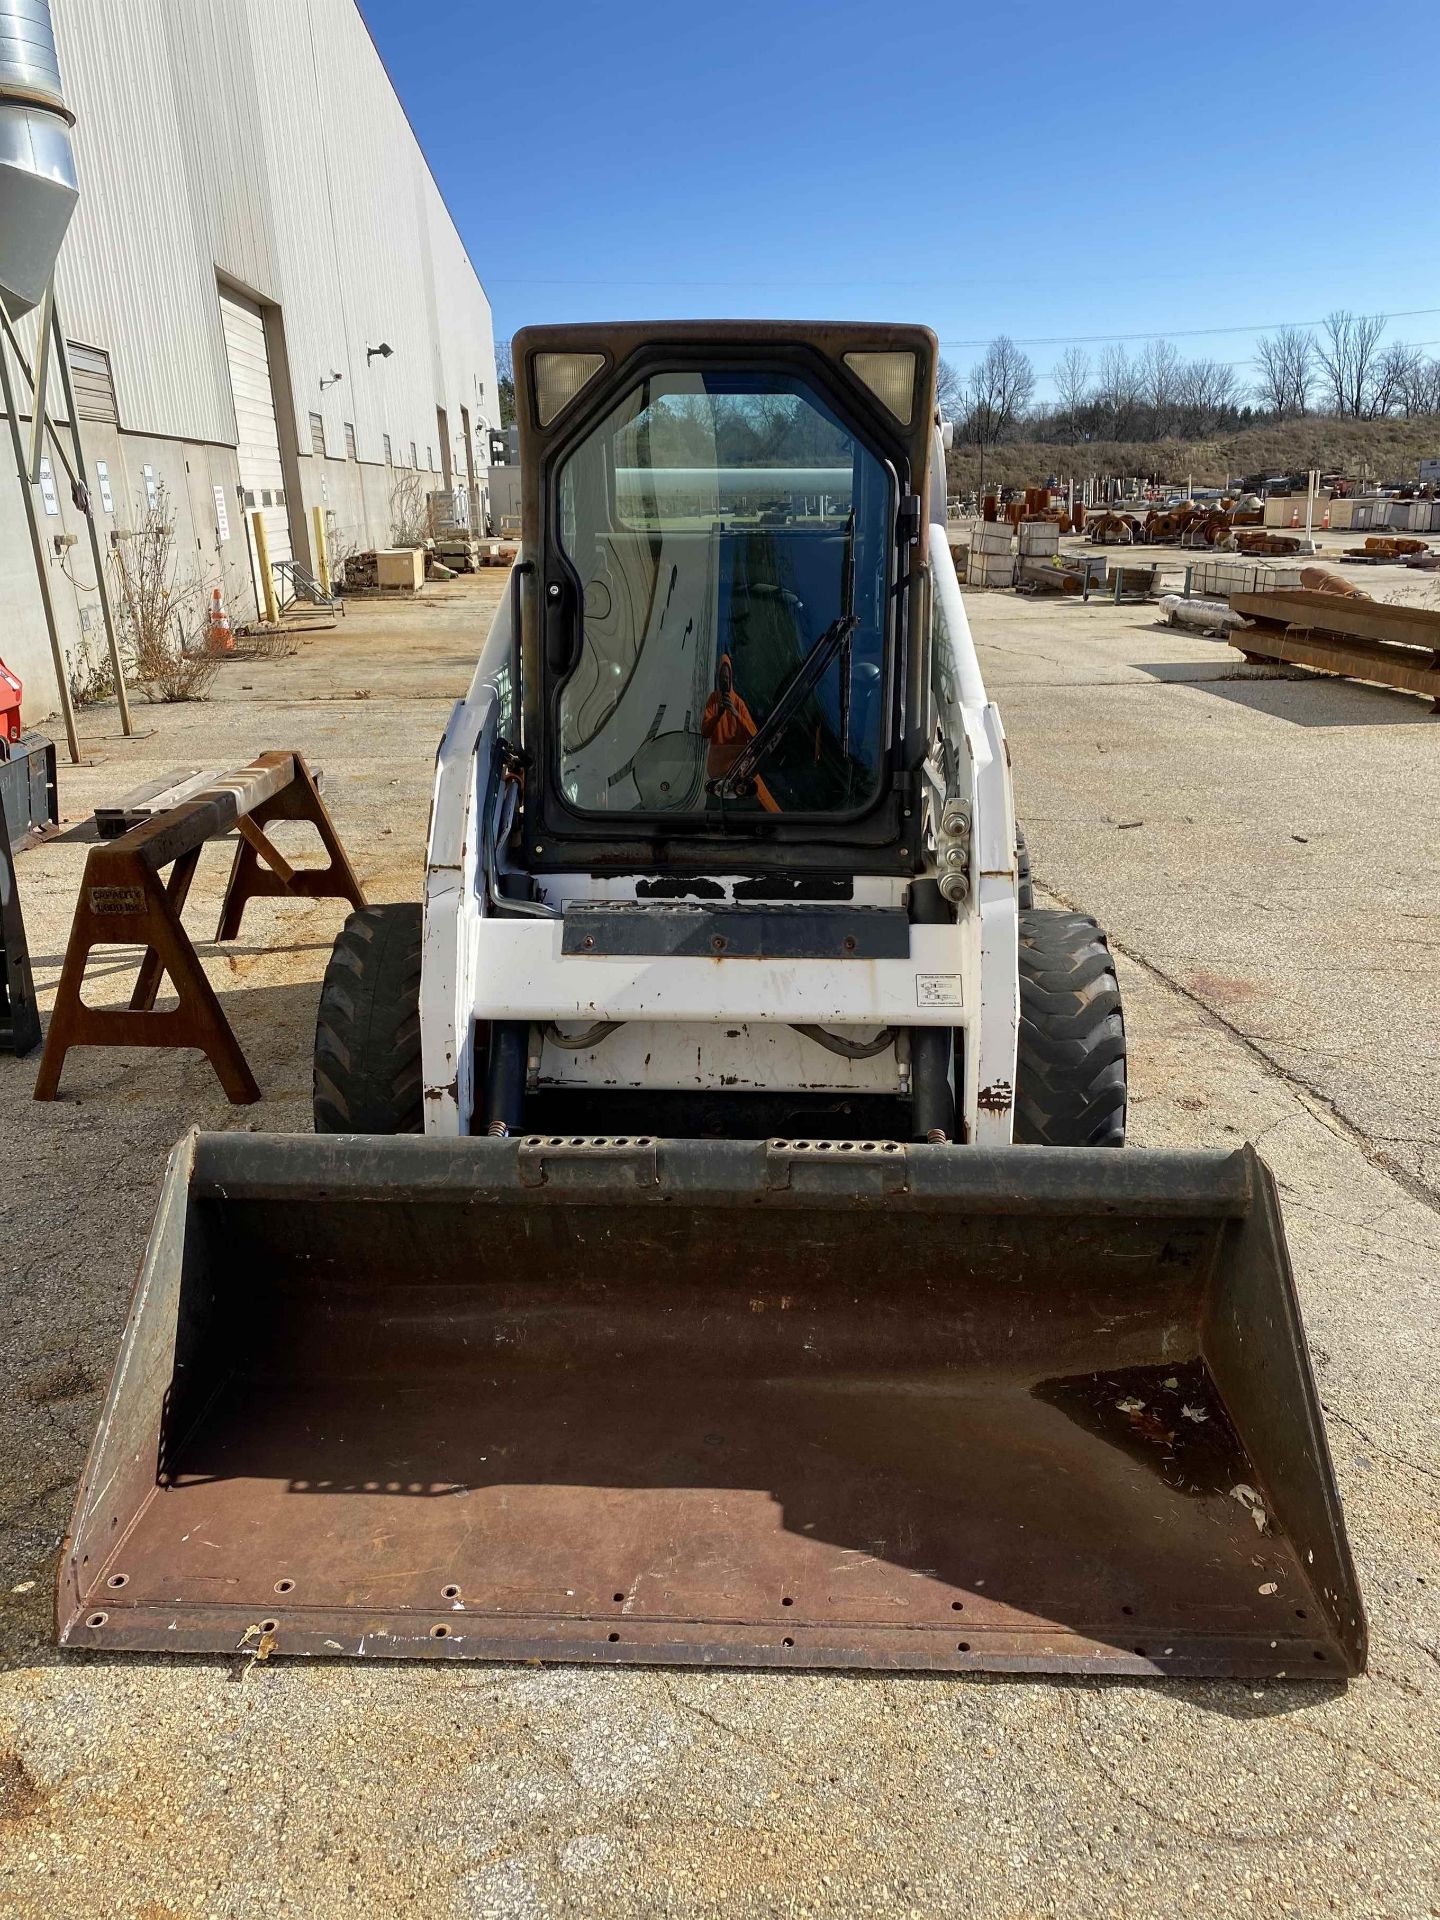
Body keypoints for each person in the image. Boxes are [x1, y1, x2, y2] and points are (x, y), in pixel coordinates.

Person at [700, 655, 779, 812]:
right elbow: (705, 732)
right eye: (721, 677)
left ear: (731, 679)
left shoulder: (739, 703)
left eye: (727, 677)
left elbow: (754, 734)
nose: (724, 680)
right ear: (718, 678)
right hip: (717, 771)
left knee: (767, 804)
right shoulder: (713, 700)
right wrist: (719, 714)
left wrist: (736, 713)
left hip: (740, 768)